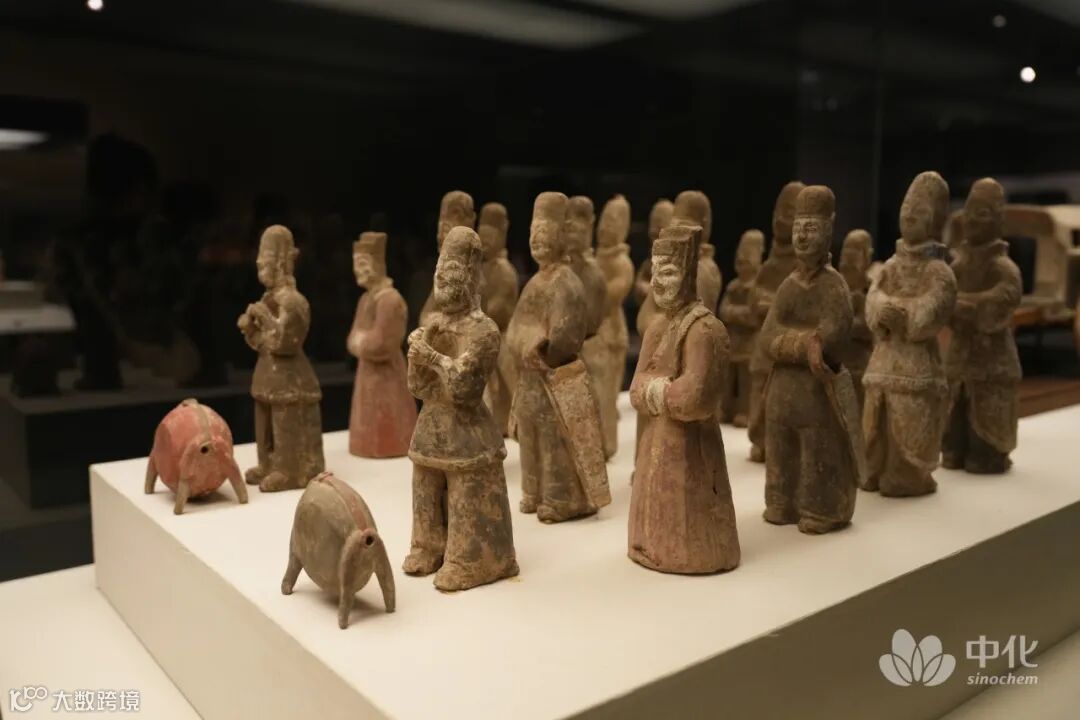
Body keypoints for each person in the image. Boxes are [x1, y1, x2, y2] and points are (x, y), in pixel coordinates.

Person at [404, 226, 518, 590]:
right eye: (438, 272)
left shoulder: (484, 331)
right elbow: (419, 388)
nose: (441, 281)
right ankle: (428, 546)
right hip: (432, 424)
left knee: (465, 489)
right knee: (424, 484)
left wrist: (432, 357)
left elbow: (465, 390)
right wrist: (416, 359)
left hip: (466, 430)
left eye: (450, 273)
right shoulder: (435, 324)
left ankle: (471, 559)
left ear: (470, 276)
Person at [629, 223, 740, 574]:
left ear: (689, 275)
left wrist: (655, 389)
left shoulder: (705, 330)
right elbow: (635, 391)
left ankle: (689, 552)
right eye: (655, 272)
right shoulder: (657, 328)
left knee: (686, 506)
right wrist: (663, 389)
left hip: (690, 447)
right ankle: (653, 547)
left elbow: (695, 398)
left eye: (669, 272)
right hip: (656, 440)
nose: (657, 282)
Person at [759, 186, 857, 534]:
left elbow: (834, 333)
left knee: (819, 448)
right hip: (783, 390)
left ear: (828, 230)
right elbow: (767, 336)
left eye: (810, 228)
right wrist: (803, 344)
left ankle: (820, 508)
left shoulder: (834, 286)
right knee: (779, 448)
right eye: (798, 227)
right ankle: (781, 503)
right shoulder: (788, 286)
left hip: (816, 392)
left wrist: (798, 343)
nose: (801, 235)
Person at [943, 178, 1022, 474]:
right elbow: (942, 298)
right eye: (969, 211)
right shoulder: (957, 266)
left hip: (992, 360)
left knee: (985, 436)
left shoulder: (1004, 268)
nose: (973, 219)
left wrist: (963, 305)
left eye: (983, 213)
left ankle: (989, 456)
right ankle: (955, 452)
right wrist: (958, 306)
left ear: (999, 220)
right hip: (960, 357)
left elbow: (1003, 299)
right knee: (953, 429)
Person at [238, 225, 325, 492]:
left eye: (265, 260)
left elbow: (286, 343)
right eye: (259, 258)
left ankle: (289, 470)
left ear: (280, 263)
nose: (259, 264)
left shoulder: (293, 302)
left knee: (284, 421)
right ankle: (268, 463)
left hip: (290, 377)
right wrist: (250, 329)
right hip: (269, 374)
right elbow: (264, 343)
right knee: (264, 420)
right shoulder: (269, 298)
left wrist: (263, 317)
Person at [347, 231, 416, 458]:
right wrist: (362, 340)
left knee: (388, 418)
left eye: (362, 264)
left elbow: (382, 344)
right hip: (367, 374)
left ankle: (391, 444)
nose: (358, 270)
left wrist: (361, 341)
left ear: (377, 264)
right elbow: (351, 338)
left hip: (388, 376)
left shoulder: (390, 300)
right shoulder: (364, 299)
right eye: (355, 264)